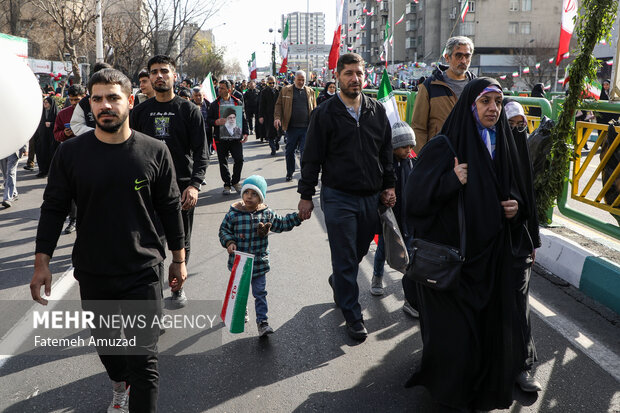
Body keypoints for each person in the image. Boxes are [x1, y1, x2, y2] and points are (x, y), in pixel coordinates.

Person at [30, 68, 186, 413]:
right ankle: (119, 382)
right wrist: (42, 262)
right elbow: (54, 208)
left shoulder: (155, 151)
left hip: (142, 270)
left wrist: (179, 257)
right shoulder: (70, 153)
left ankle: (131, 386)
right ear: (90, 103)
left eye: (113, 97)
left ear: (130, 101)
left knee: (144, 363)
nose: (105, 105)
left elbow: (170, 206)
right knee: (110, 350)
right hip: (94, 269)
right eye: (97, 98)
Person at [404, 77, 531, 411]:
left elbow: (518, 191)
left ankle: (485, 387)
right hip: (456, 258)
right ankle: (452, 392)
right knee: (457, 334)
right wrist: (450, 182)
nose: (493, 109)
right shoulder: (446, 146)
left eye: (498, 102)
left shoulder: (503, 141)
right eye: (485, 101)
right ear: (470, 106)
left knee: (488, 329)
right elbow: (413, 200)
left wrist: (515, 208)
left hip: (492, 257)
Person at [298, 53, 396, 341]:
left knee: (358, 251)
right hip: (338, 196)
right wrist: (306, 195)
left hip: (371, 197)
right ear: (338, 77)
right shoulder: (325, 113)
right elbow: (311, 158)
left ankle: (339, 283)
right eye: (348, 73)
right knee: (343, 254)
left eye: (359, 74)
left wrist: (389, 185)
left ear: (366, 77)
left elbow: (386, 153)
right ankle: (353, 314)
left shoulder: (377, 111)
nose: (355, 79)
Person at [131, 55, 208, 308]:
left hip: (182, 190)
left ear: (174, 76)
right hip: (147, 191)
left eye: (164, 71)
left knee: (181, 242)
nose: (159, 76)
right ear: (149, 78)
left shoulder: (189, 110)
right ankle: (155, 300)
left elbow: (201, 152)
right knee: (151, 247)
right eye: (154, 72)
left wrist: (194, 185)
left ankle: (177, 287)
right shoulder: (140, 112)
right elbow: (129, 151)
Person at [218, 175, 304, 337]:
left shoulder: (267, 214)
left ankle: (262, 322)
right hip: (240, 263)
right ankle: (241, 310)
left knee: (260, 293)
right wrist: (229, 242)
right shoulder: (233, 214)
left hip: (259, 263)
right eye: (246, 192)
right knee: (240, 290)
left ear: (261, 197)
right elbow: (224, 230)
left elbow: (282, 223)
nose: (249, 196)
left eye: (254, 193)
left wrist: (297, 217)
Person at [504, 99, 543, 393]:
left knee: (519, 305)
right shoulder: (485, 151)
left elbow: (529, 197)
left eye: (522, 126)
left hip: (519, 242)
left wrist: (534, 239)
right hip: (488, 241)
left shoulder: (524, 154)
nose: (518, 131)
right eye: (511, 125)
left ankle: (523, 364)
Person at [370, 121, 419, 317]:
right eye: (404, 146)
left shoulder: (411, 163)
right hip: (390, 217)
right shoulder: (385, 165)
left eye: (410, 146)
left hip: (407, 218)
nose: (408, 150)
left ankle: (409, 295)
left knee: (409, 255)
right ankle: (377, 276)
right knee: (383, 249)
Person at [411, 36, 476, 154]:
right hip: (438, 153)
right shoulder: (430, 85)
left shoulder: (477, 87)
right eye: (458, 56)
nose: (463, 61)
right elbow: (419, 126)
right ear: (447, 57)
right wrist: (421, 158)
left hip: (469, 152)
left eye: (467, 56)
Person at [53, 84, 86, 233]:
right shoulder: (63, 114)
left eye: (77, 100)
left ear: (84, 97)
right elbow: (56, 134)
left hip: (90, 152)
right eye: (71, 100)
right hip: (71, 155)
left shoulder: (92, 111)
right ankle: (73, 219)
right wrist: (65, 134)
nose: (74, 103)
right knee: (72, 188)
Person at [274, 70, 317, 181]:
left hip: (306, 128)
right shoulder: (285, 90)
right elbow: (278, 105)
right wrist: (277, 118)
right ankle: (290, 172)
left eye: (303, 80)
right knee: (289, 151)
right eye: (299, 79)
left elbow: (315, 108)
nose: (301, 82)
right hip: (291, 128)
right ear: (295, 79)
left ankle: (304, 173)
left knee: (305, 152)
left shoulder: (310, 91)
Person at [207, 79, 249, 195]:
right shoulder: (215, 104)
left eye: (222, 88)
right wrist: (216, 121)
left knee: (239, 159)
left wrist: (245, 132)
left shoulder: (237, 102)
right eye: (219, 88)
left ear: (229, 90)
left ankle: (235, 182)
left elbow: (243, 118)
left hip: (235, 137)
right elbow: (208, 120)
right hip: (221, 138)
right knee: (223, 162)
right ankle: (227, 184)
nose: (219, 90)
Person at [70, 62, 113, 136]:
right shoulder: (84, 103)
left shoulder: (121, 99)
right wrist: (97, 133)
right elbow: (76, 125)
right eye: (97, 99)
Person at [35, 96, 59, 178]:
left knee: (52, 154)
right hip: (42, 137)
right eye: (44, 102)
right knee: (41, 153)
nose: (44, 104)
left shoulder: (55, 112)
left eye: (46, 102)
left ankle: (52, 172)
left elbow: (58, 123)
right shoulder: (41, 112)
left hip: (52, 138)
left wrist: (51, 124)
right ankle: (42, 171)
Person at [258, 76, 280, 154]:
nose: (271, 84)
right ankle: (272, 148)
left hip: (278, 115)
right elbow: (261, 105)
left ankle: (276, 142)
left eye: (273, 82)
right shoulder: (264, 92)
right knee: (270, 133)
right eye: (270, 83)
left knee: (279, 132)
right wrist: (261, 116)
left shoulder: (279, 90)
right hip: (268, 115)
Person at [192, 86, 213, 154]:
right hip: (195, 133)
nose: (198, 97)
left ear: (203, 95)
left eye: (199, 95)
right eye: (196, 95)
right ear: (193, 96)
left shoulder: (209, 105)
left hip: (207, 132)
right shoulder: (189, 106)